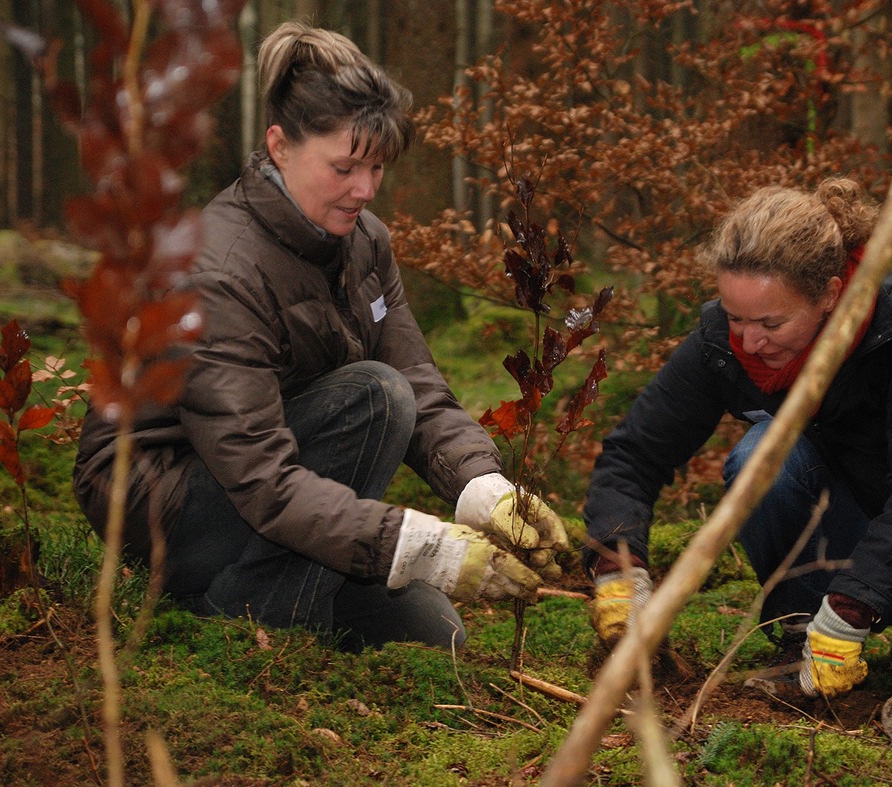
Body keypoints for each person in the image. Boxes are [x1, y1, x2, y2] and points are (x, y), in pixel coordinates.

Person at [72, 22, 566, 651]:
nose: (364, 189)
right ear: (279, 147)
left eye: (378, 167)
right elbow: (262, 476)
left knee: (436, 634)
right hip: (165, 499)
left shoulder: (366, 243)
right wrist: (420, 547)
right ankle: (244, 621)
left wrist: (485, 491)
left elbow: (420, 381)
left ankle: (273, 595)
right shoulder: (216, 270)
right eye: (344, 167)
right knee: (375, 398)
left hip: (277, 485)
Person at [582, 178, 892, 697]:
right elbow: (635, 453)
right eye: (735, 317)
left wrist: (852, 609)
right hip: (832, 547)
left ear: (830, 294)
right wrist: (616, 562)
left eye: (770, 321)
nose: (749, 340)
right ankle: (798, 632)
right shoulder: (723, 341)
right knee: (764, 451)